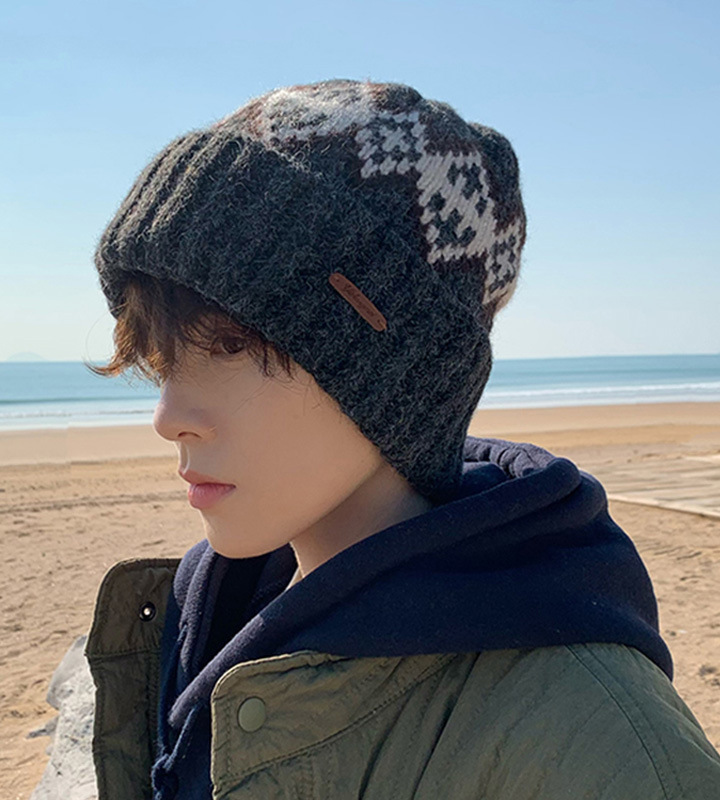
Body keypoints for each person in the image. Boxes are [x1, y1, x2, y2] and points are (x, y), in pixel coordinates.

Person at [83, 79, 720, 799]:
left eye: (230, 345)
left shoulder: (598, 740)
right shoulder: (201, 617)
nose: (168, 417)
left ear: (393, 368)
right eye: (164, 356)